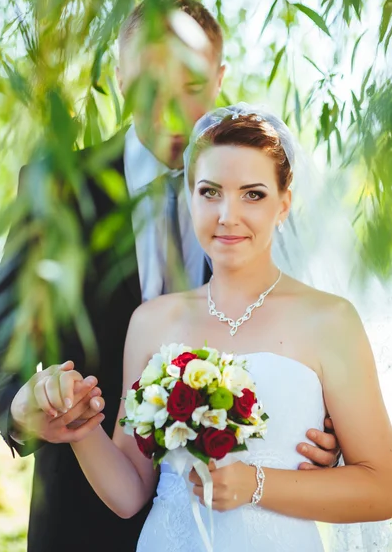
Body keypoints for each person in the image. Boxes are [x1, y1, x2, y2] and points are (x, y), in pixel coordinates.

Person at [0, 0, 339, 552]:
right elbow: (0, 344)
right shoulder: (54, 189)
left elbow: (293, 338)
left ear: (221, 78)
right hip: (83, 515)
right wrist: (22, 407)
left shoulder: (253, 202)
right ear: (121, 76)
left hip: (234, 518)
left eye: (194, 83)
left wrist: (322, 435)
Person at [69, 105, 392, 551]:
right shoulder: (151, 322)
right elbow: (130, 494)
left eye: (253, 194)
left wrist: (256, 485)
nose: (227, 214)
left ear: (284, 204)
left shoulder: (330, 320)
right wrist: (80, 428)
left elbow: (382, 489)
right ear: (190, 196)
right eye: (210, 192)